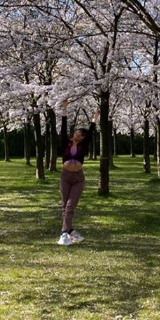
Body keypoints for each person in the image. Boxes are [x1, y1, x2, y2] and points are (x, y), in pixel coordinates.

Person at [58, 99, 99, 246]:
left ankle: (64, 233)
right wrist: (64, 108)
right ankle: (70, 231)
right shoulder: (65, 142)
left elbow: (91, 131)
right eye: (79, 133)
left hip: (78, 178)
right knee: (65, 205)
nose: (80, 135)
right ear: (74, 132)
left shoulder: (84, 145)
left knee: (70, 205)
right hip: (65, 176)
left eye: (83, 135)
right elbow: (63, 127)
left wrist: (95, 118)